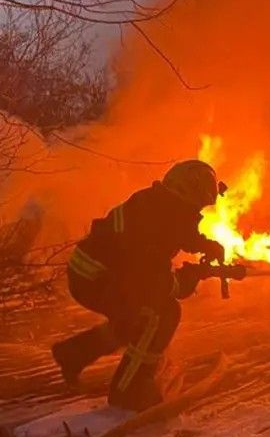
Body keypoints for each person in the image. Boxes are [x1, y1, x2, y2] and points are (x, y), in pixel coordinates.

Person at [51, 159, 227, 409]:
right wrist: (188, 277)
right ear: (184, 196)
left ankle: (73, 354)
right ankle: (129, 390)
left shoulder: (160, 205)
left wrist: (204, 245)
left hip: (95, 273)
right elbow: (154, 283)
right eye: (196, 206)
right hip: (95, 279)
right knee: (159, 314)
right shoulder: (151, 221)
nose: (197, 212)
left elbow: (178, 231)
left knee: (131, 317)